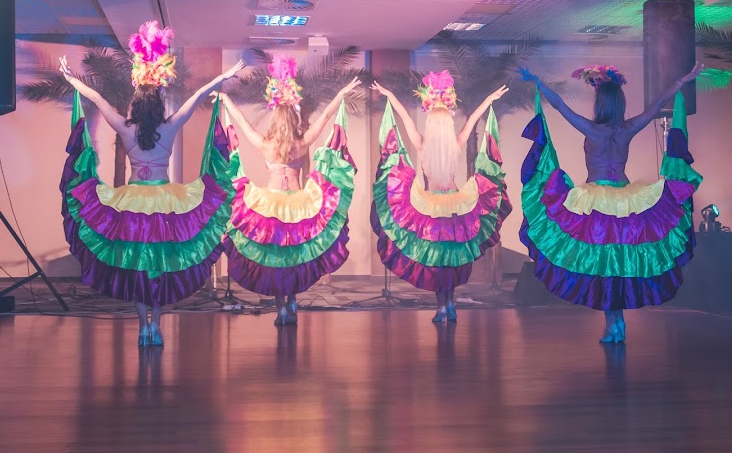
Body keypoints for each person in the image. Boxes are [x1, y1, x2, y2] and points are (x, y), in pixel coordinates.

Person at [59, 20, 243, 346]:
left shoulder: (125, 128)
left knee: (137, 267)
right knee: (159, 265)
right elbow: (198, 95)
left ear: (135, 105)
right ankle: (155, 325)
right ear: (158, 106)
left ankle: (142, 326)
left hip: (131, 202)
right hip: (165, 202)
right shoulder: (169, 127)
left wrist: (73, 80)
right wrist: (222, 77)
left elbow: (97, 99)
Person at [519, 62, 704, 343]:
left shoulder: (592, 130)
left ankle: (613, 324)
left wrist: (538, 81)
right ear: (620, 103)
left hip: (596, 201)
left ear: (600, 103)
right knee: (619, 262)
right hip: (627, 202)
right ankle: (616, 322)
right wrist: (681, 82)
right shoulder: (628, 128)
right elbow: (658, 105)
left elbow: (559, 106)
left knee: (606, 264)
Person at [219, 55, 360, 326]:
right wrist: (341, 94)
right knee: (294, 256)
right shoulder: (302, 142)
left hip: (269, 205)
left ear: (274, 119)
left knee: (276, 259)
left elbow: (242, 124)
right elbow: (326, 118)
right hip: (299, 204)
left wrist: (227, 101)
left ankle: (282, 307)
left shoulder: (265, 143)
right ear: (293, 117)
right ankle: (292, 298)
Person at [371, 72, 511, 323]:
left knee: (437, 261)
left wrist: (389, 95)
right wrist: (489, 99)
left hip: (431, 207)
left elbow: (405, 119)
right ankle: (450, 304)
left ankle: (442, 307)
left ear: (430, 124)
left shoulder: (422, 144)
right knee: (451, 259)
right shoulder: (456, 143)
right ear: (448, 125)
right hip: (457, 206)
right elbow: (473, 118)